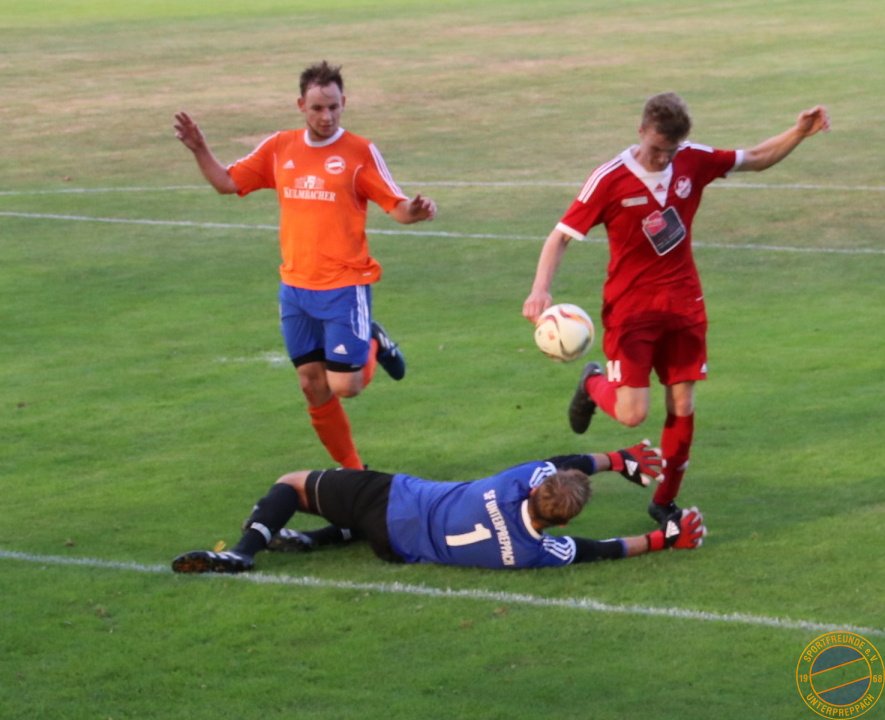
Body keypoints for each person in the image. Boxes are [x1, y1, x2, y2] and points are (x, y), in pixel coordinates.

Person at [522, 93, 830, 524]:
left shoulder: (692, 159)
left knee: (683, 405)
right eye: (656, 149)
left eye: (671, 150)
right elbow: (560, 237)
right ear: (641, 131)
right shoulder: (609, 179)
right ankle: (592, 382)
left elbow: (757, 157)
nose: (663, 159)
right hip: (631, 309)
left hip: (684, 303)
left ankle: (664, 502)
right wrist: (540, 289)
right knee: (632, 414)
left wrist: (798, 132)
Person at [174, 61, 437, 470]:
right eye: (317, 108)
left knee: (345, 387)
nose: (326, 116)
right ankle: (355, 473)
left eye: (333, 107)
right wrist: (199, 149)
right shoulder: (280, 147)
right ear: (301, 105)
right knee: (312, 386)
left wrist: (415, 212)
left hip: (344, 285)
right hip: (296, 288)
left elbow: (396, 206)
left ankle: (373, 341)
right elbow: (227, 182)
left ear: (344, 102)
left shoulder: (359, 152)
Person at [171, 439, 707, 574]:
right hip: (395, 547)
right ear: (561, 521)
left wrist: (617, 459)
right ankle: (311, 541)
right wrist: (661, 539)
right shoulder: (535, 553)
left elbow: (565, 460)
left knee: (291, 484)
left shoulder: (514, 483)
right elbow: (602, 549)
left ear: (535, 491)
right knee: (365, 529)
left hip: (389, 498)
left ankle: (244, 552)